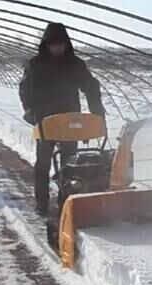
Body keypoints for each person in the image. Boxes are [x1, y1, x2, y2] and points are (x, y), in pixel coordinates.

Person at [19, 22, 105, 215]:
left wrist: (97, 111)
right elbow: (25, 90)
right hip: (45, 120)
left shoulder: (75, 64)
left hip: (70, 119)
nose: (57, 48)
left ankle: (66, 201)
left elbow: (91, 86)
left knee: (69, 163)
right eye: (53, 44)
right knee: (43, 163)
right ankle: (42, 203)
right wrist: (30, 111)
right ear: (46, 44)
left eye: (60, 44)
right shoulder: (35, 65)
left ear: (66, 44)